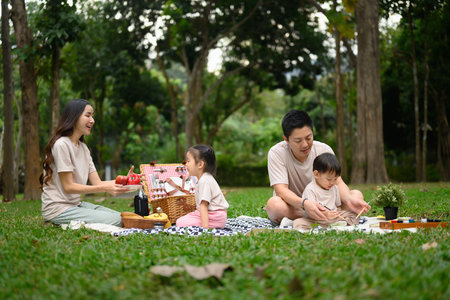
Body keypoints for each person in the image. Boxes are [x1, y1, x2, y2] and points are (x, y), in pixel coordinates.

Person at [265, 110, 369, 225]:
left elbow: (338, 183)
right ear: (286, 139)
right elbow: (281, 191)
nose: (305, 144)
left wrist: (349, 200)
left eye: (308, 138)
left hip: (326, 204)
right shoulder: (276, 153)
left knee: (356, 195)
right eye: (298, 141)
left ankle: (314, 219)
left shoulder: (323, 150)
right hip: (297, 206)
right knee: (274, 205)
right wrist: (305, 204)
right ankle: (327, 218)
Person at [40, 99, 133, 226]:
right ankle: (56, 222)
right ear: (74, 117)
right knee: (118, 220)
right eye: (87, 115)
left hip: (76, 205)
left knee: (122, 216)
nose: (92, 120)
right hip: (58, 209)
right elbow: (69, 187)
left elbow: (98, 182)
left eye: (92, 116)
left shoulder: (83, 148)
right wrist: (105, 188)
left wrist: (128, 181)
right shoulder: (61, 145)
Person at [292, 153, 360, 231]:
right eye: (329, 179)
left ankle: (337, 224)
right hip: (316, 219)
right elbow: (310, 212)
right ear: (316, 174)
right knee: (298, 222)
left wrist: (337, 213)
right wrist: (326, 214)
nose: (332, 182)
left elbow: (338, 206)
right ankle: (334, 226)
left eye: (335, 179)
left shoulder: (334, 188)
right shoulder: (310, 189)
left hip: (333, 219)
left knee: (353, 214)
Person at [176, 145, 229, 228]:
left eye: (189, 161)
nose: (186, 164)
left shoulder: (205, 180)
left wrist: (205, 229)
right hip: (215, 216)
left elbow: (203, 205)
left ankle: (206, 226)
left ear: (200, 164)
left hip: (214, 217)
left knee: (180, 222)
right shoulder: (204, 179)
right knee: (183, 220)